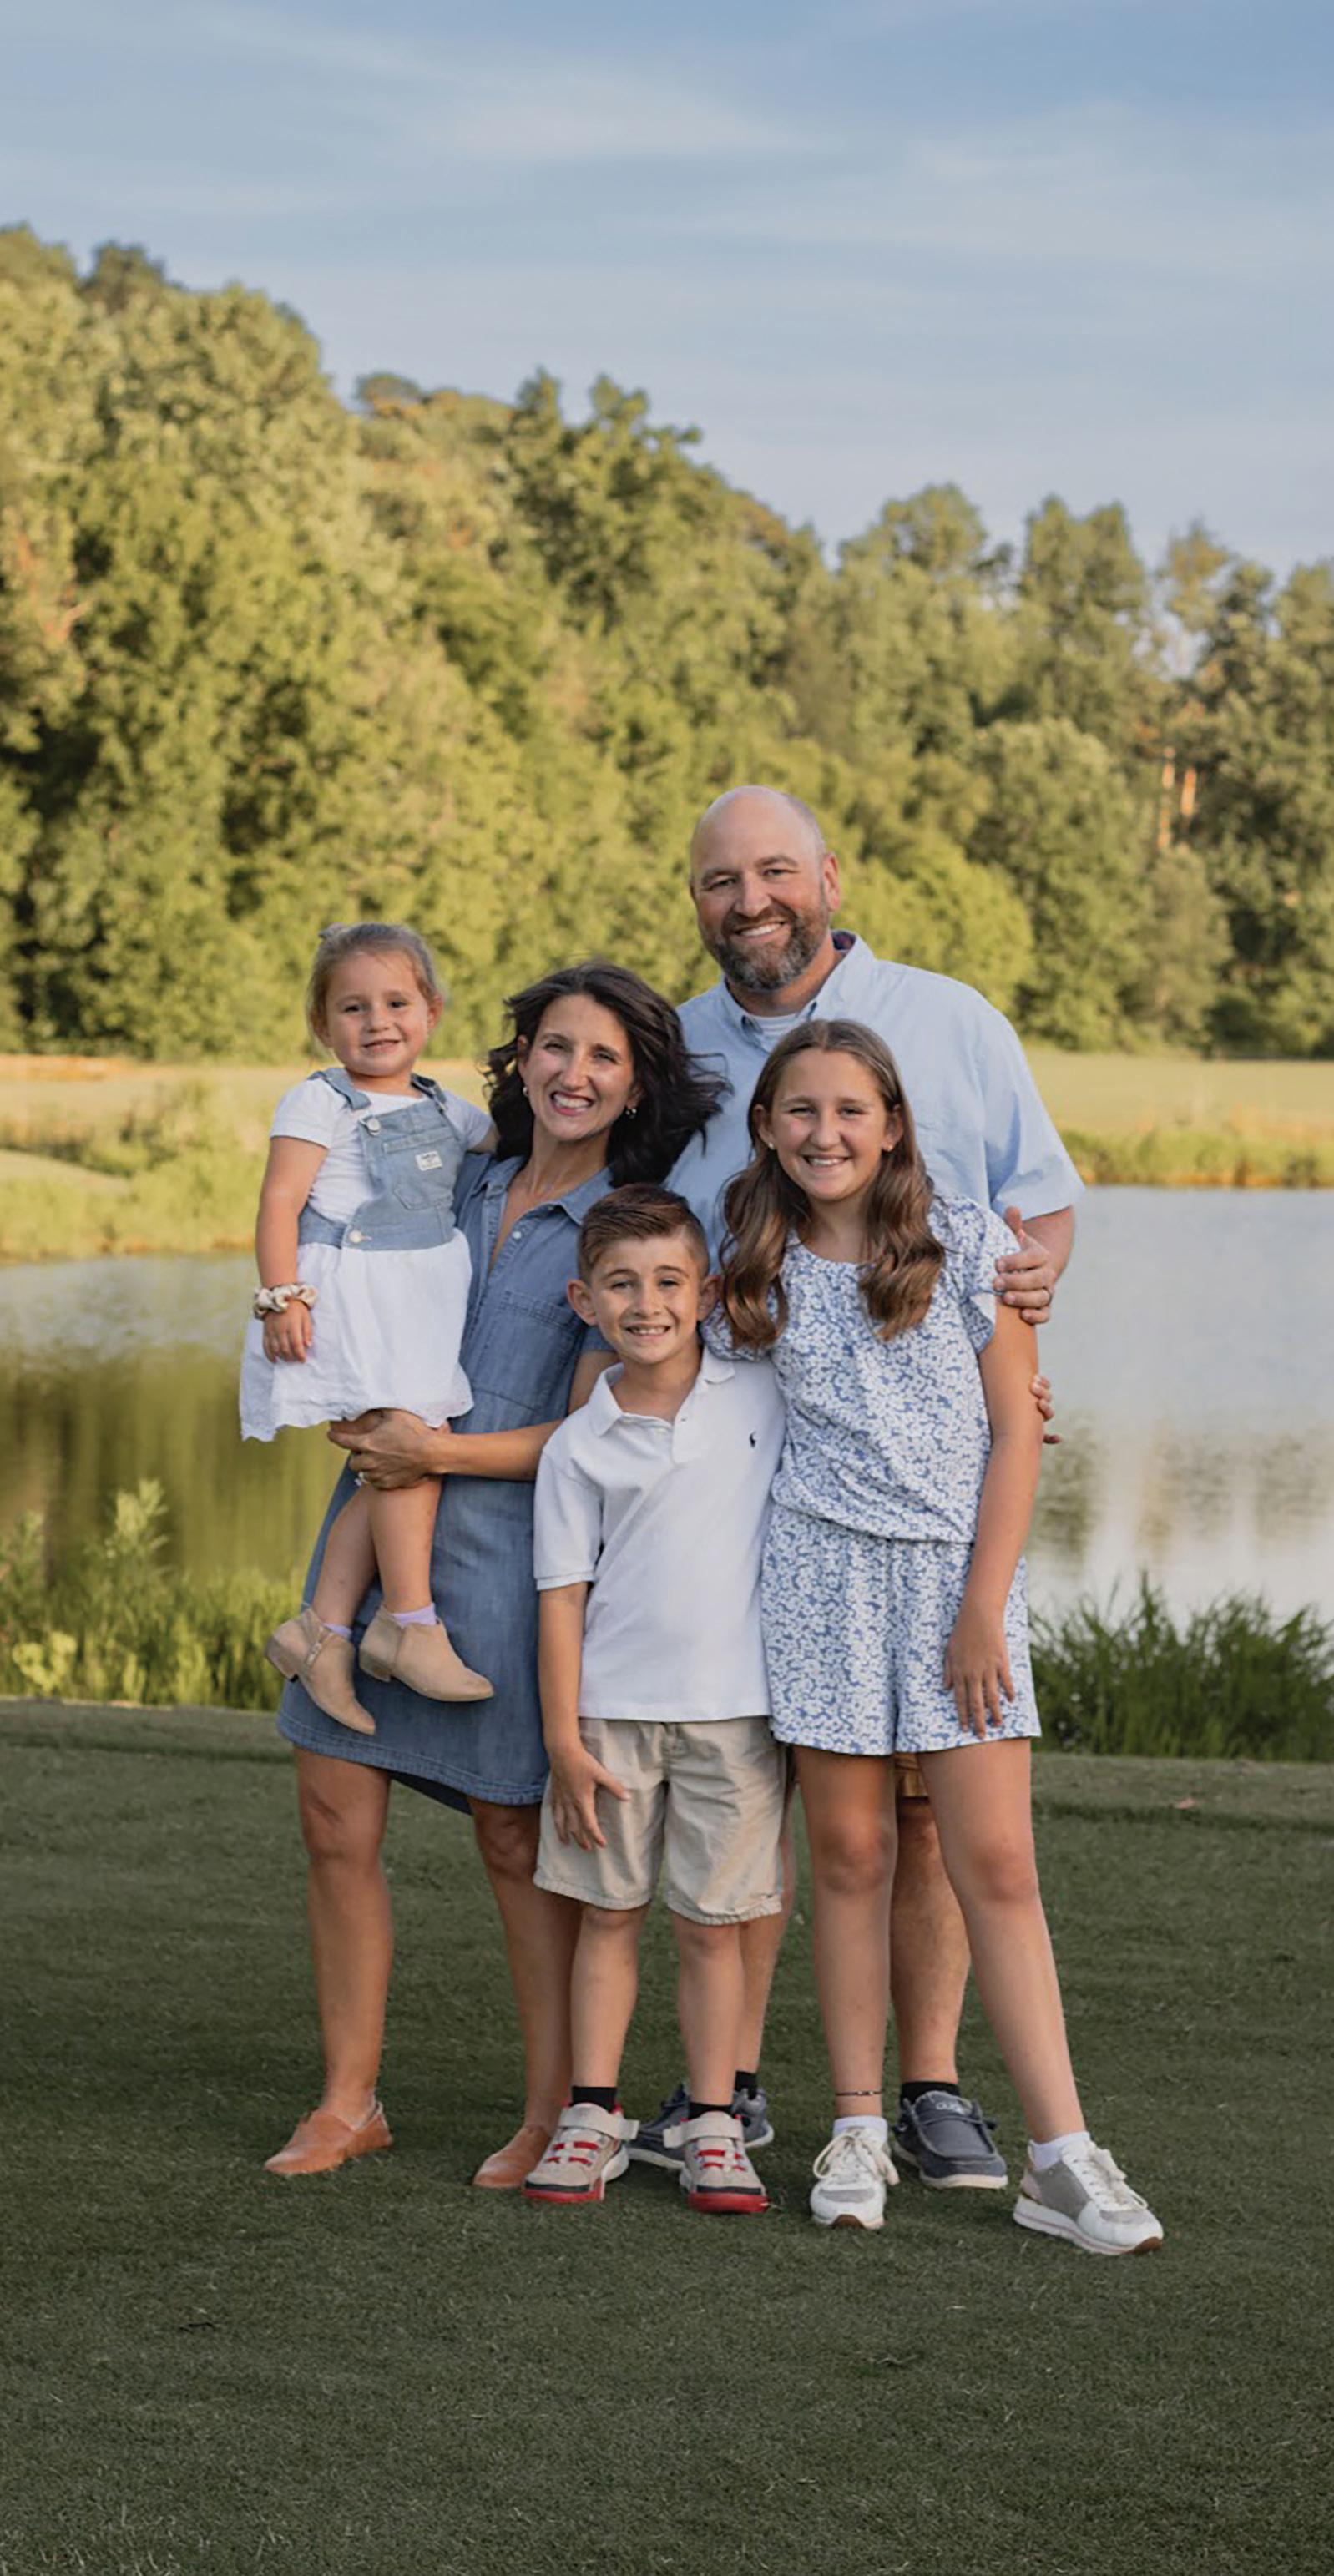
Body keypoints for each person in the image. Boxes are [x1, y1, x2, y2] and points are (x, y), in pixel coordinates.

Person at [634, 782, 1082, 2192]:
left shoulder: (948, 1020)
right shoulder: (673, 1051)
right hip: (758, 1494)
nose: (750, 900)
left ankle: (929, 2086)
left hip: (930, 1486)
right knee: (773, 1794)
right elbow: (633, 1231)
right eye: (720, 880)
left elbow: (1037, 1206)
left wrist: (1009, 1341)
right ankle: (743, 2086)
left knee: (931, 1818)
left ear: (827, 875)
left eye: (773, 870)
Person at [263, 963, 722, 2185]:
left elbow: (599, 1425)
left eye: (604, 1057)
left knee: (517, 1843)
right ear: (520, 1057)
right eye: (554, 1046)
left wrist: (438, 1451)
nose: (573, 1073)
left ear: (636, 1088)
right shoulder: (447, 1170)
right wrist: (326, 1367)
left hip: (514, 1560)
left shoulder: (629, 1229)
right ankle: (347, 2102)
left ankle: (553, 2111)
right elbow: (333, 1264)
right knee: (331, 1817)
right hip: (371, 1530)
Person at [716, 1018, 1161, 2254]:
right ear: (765, 1125)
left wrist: (979, 1608)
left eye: (849, 1110)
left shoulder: (966, 1244)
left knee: (996, 1864)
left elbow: (1016, 1432)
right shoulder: (749, 1265)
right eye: (800, 1110)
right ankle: (857, 2124)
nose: (825, 1133)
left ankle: (1060, 2155)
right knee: (849, 1856)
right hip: (817, 1583)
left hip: (958, 1584)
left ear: (894, 1124)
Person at [522, 1186, 787, 2216]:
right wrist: (561, 1738)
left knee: (714, 1925)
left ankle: (711, 2121)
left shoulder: (759, 1394)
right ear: (584, 1300)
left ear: (706, 1292)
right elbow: (560, 1597)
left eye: (669, 1281)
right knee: (607, 1914)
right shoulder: (574, 1444)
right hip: (608, 1719)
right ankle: (590, 2115)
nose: (647, 1304)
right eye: (622, 1285)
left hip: (735, 1717)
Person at [241, 922, 496, 1729]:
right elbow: (280, 1200)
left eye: (396, 1003)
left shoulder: (448, 1109)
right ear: (323, 1024)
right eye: (353, 1008)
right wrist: (281, 1295)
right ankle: (410, 1623)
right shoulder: (320, 1099)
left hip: (417, 1305)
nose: (377, 1021)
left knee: (393, 1459)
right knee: (406, 1451)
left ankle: (320, 1632)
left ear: (433, 1012)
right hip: (350, 1298)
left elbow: (509, 1146)